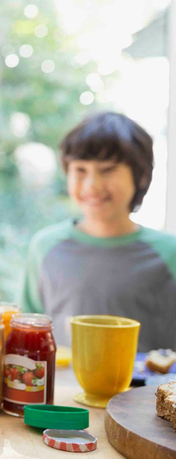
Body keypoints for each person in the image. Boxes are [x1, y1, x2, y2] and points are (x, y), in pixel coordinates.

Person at [20, 112, 176, 351]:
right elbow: (25, 334)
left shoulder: (169, 252)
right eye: (80, 170)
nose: (92, 185)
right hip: (64, 388)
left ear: (141, 176)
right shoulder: (45, 246)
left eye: (108, 170)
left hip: (150, 389)